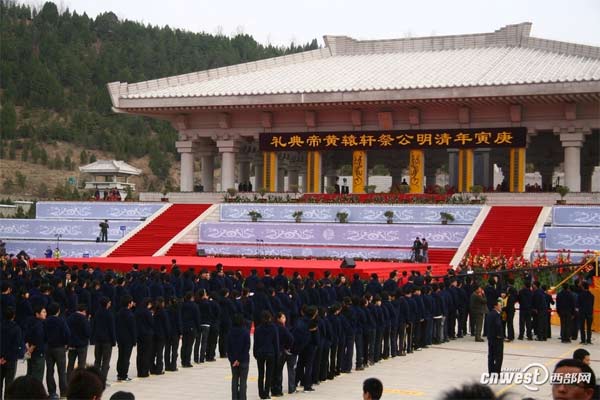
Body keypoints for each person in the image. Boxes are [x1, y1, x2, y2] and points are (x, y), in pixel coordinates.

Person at [45, 302, 70, 399]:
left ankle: (52, 392)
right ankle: (63, 392)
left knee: (49, 371)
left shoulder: (45, 321)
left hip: (48, 348)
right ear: (58, 311)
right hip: (59, 348)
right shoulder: (61, 321)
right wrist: (66, 343)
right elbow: (67, 333)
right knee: (62, 371)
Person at [254, 310, 279, 400]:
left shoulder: (258, 329)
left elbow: (256, 343)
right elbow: (275, 343)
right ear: (270, 318)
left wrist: (255, 353)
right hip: (270, 353)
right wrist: (277, 354)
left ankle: (261, 393)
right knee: (269, 374)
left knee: (261, 374)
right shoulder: (273, 328)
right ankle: (267, 392)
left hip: (260, 353)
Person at [91, 296, 116, 383]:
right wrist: (113, 341)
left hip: (98, 340)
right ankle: (102, 380)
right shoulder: (109, 314)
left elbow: (94, 326)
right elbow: (111, 329)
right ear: (107, 304)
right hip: (107, 341)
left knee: (97, 360)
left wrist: (93, 338)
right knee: (105, 361)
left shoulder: (97, 313)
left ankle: (95, 378)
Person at [1, 307, 23, 399]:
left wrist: (2, 357)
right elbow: (17, 345)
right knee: (9, 382)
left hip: (0, 359)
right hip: (11, 359)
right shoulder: (16, 328)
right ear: (14, 316)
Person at [227, 314, 250, 400]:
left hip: (233, 360)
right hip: (244, 360)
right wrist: (239, 359)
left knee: (234, 380)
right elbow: (246, 347)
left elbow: (228, 348)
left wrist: (233, 359)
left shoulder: (230, 332)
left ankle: (234, 398)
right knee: (243, 381)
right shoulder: (245, 332)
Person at [116, 295, 136, 382]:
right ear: (129, 303)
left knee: (120, 356)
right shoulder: (130, 314)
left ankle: (119, 374)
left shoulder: (119, 313)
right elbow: (132, 329)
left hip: (120, 338)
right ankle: (124, 375)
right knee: (126, 357)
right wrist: (134, 340)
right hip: (128, 339)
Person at [25, 304, 47, 383]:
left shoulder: (30, 322)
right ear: (37, 314)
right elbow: (38, 337)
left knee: (29, 373)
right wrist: (31, 348)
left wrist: (28, 348)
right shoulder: (40, 324)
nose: (45, 314)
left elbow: (26, 336)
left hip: (30, 352)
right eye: (43, 312)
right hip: (38, 352)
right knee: (37, 376)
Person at [485, 298, 504, 374]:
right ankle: (497, 372)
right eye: (500, 305)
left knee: (491, 355)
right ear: (495, 306)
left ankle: (491, 371)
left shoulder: (489, 314)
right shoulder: (496, 315)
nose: (501, 307)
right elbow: (498, 325)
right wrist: (499, 335)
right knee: (498, 356)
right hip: (497, 339)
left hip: (490, 337)